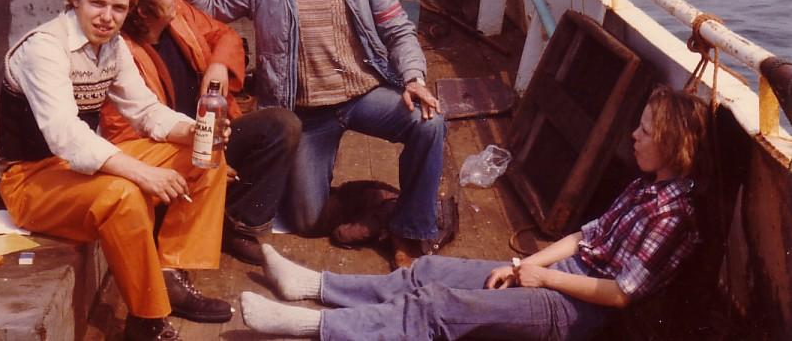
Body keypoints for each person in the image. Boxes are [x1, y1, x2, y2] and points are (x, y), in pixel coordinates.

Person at [237, 86, 707, 340]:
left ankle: (311, 326)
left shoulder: (672, 216)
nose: (635, 136)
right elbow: (584, 236)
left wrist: (543, 278)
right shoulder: (646, 185)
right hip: (559, 275)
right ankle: (313, 286)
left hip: (576, 309)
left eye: (646, 132)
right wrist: (523, 266)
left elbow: (621, 295)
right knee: (428, 271)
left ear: (671, 145)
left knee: (439, 307)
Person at [171, 0, 447, 266]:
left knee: (428, 121)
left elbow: (397, 29)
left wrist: (414, 78)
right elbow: (212, 10)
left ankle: (409, 232)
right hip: (306, 114)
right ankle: (376, 200)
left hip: (362, 95)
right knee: (307, 220)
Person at [0, 0, 231, 341]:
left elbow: (145, 111)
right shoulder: (45, 47)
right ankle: (146, 318)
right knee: (124, 194)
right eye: (98, 3)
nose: (107, 16)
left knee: (205, 155)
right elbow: (65, 134)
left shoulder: (112, 46)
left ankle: (169, 273)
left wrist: (195, 131)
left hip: (77, 170)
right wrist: (143, 173)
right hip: (30, 180)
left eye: (118, 8)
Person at [99, 0, 302, 265]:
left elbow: (225, 34)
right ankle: (179, 243)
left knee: (281, 125)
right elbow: (126, 137)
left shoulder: (178, 14)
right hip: (167, 157)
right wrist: (209, 161)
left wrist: (219, 65)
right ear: (142, 10)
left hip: (205, 136)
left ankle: (237, 225)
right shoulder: (121, 55)